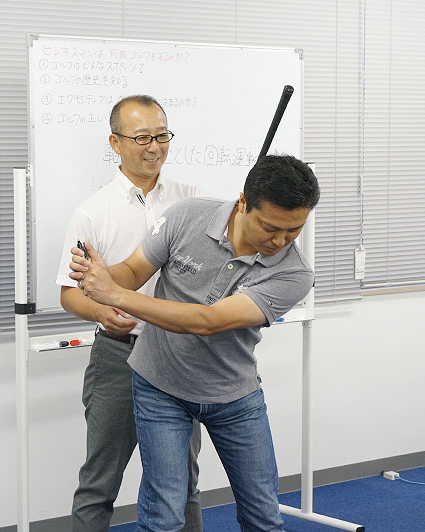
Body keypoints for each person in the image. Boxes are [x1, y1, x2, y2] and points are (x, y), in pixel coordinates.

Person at [70, 154, 320, 532]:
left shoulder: (295, 274)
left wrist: (114, 294)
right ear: (243, 203)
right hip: (160, 386)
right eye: (271, 227)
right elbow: (134, 270)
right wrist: (102, 275)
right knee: (163, 516)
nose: (280, 240)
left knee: (263, 517)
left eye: (294, 230)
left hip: (233, 395)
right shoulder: (188, 215)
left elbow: (208, 321)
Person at [55, 95, 203, 532]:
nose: (154, 147)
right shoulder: (92, 212)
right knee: (99, 483)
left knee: (183, 484)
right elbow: (69, 295)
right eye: (141, 138)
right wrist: (101, 312)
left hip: (178, 356)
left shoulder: (191, 200)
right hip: (119, 356)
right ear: (115, 143)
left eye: (161, 135)